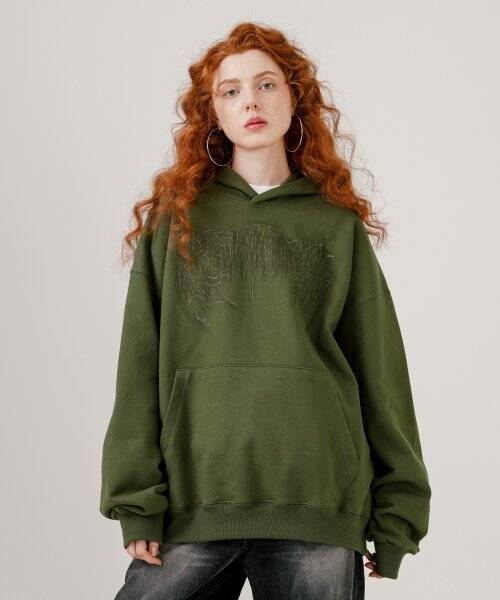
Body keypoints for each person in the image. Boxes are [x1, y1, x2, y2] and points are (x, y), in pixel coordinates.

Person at [99, 21, 431, 600]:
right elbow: (138, 364)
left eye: (266, 84)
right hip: (193, 500)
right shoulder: (176, 222)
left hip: (317, 501)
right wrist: (135, 499)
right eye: (230, 91)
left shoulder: (335, 224)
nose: (250, 101)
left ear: (294, 98)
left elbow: (381, 373)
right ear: (213, 114)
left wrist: (397, 515)